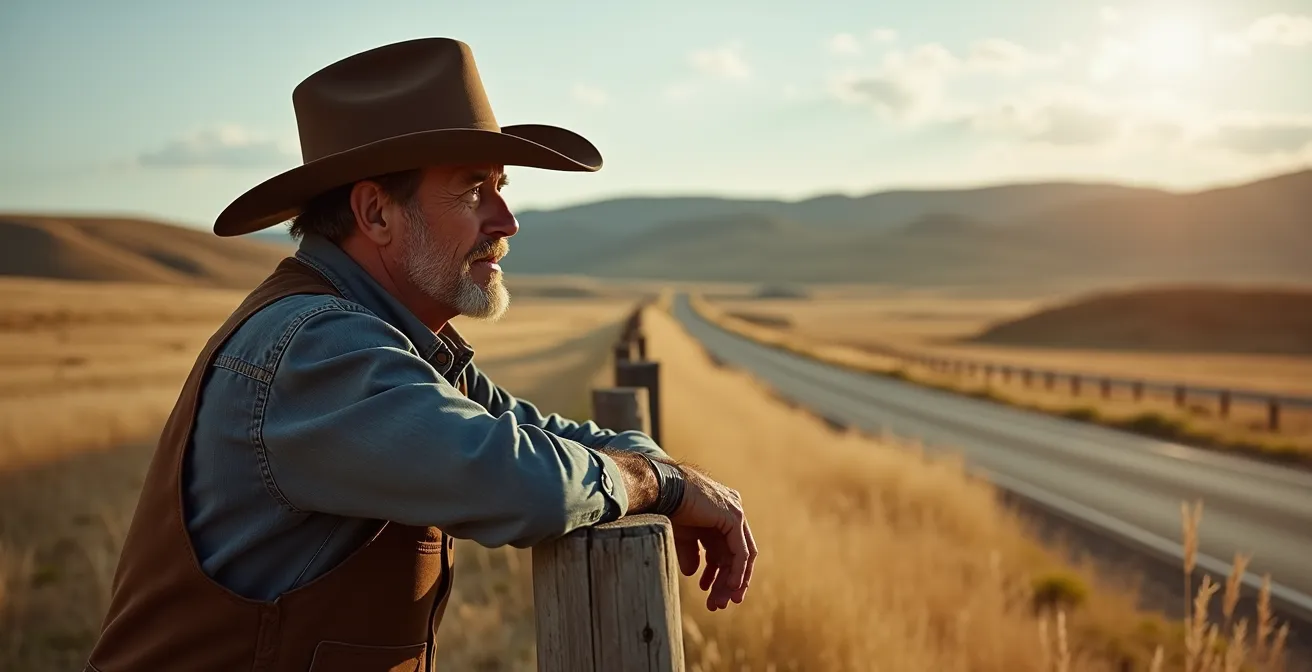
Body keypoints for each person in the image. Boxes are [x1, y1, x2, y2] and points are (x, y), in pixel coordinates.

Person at [84, 37, 756, 672]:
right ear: (376, 214)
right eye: (473, 189)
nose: (506, 221)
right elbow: (526, 483)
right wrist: (662, 486)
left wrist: (662, 470)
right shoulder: (315, 347)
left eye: (502, 187)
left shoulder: (391, 343)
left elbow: (536, 433)